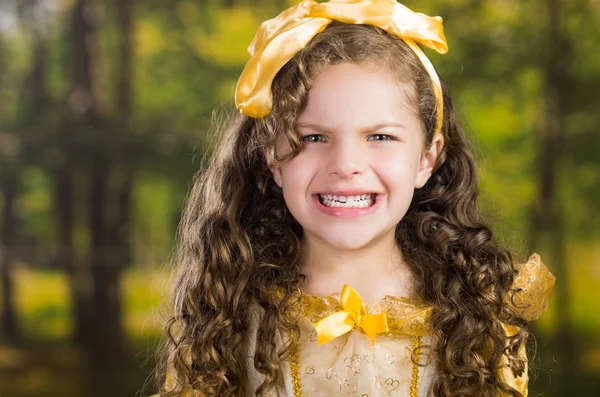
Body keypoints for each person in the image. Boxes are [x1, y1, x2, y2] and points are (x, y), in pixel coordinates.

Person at [150, 1, 556, 396]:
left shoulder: (478, 322)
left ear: (426, 158)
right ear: (273, 157)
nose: (345, 164)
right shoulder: (229, 320)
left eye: (380, 137)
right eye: (313, 137)